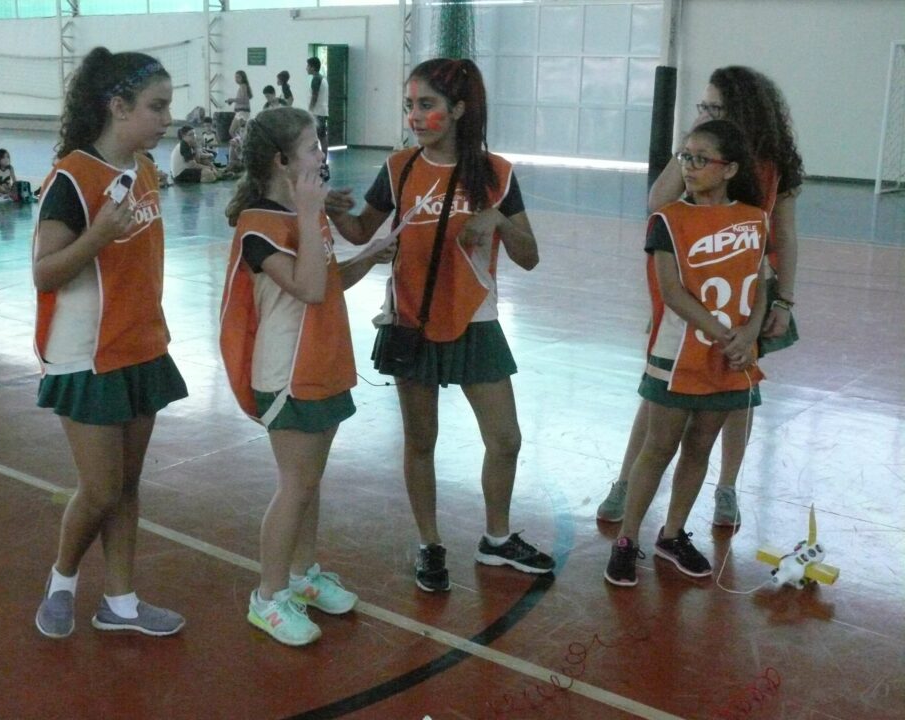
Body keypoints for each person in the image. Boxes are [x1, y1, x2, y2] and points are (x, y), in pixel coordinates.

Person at [324, 58, 555, 593]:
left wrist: (498, 219)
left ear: (459, 109)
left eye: (426, 104)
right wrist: (333, 210)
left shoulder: (496, 174)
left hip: (475, 319)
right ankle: (430, 543)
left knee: (505, 439)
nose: (414, 116)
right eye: (409, 105)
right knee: (421, 441)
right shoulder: (399, 168)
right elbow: (361, 231)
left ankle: (496, 538)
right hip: (411, 319)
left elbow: (529, 257)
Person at [597, 66, 804, 528]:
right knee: (660, 394)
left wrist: (783, 300)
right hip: (689, 293)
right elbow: (658, 201)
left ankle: (726, 487)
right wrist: (692, 146)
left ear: (743, 111)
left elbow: (786, 235)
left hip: (743, 297)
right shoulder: (697, 161)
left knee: (737, 391)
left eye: (715, 107)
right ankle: (627, 480)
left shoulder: (772, 165)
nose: (706, 112)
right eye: (703, 106)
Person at [32, 47, 188, 638]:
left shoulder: (144, 168)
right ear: (118, 107)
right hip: (86, 354)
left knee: (126, 486)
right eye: (157, 106)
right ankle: (62, 580)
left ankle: (120, 603)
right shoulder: (71, 179)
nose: (167, 118)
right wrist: (98, 235)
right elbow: (45, 273)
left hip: (140, 346)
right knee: (99, 489)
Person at [219, 107, 391, 646]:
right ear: (281, 160)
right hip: (286, 373)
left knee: (310, 483)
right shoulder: (259, 227)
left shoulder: (303, 216)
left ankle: (301, 575)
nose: (322, 155)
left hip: (322, 364)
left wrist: (372, 253)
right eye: (313, 146)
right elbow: (310, 288)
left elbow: (329, 279)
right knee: (295, 486)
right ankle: (268, 597)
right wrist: (313, 211)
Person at [603, 119, 769, 587]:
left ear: (730, 169)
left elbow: (761, 284)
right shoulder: (668, 220)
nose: (690, 167)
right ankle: (626, 540)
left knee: (700, 446)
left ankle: (672, 534)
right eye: (686, 157)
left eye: (701, 159)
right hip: (678, 356)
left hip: (730, 357)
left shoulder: (756, 219)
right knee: (659, 447)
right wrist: (727, 335)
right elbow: (672, 293)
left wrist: (749, 334)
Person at [305, 57, 330, 181]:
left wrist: (310, 111)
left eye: (308, 66)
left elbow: (314, 96)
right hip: (322, 111)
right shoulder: (323, 79)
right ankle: (323, 163)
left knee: (315, 138)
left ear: (313, 67)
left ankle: (320, 164)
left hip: (317, 113)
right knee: (322, 137)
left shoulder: (316, 79)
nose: (306, 68)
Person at [227, 69, 253, 137]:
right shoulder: (242, 86)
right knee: (234, 131)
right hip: (240, 112)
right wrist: (232, 101)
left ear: (243, 78)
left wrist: (232, 100)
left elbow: (244, 100)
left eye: (238, 77)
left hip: (242, 112)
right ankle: (240, 142)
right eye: (235, 77)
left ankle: (241, 142)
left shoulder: (243, 86)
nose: (236, 79)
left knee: (235, 131)